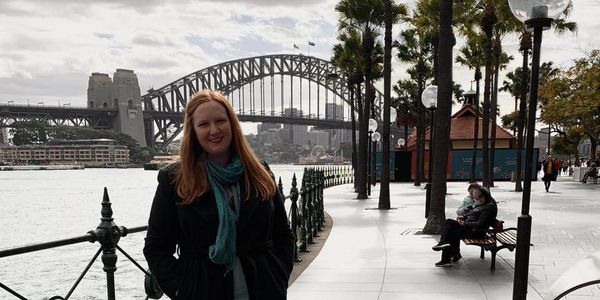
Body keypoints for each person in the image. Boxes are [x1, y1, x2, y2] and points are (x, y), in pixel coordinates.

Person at [143, 90, 294, 299]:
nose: (214, 130)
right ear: (193, 131)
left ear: (232, 123)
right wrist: (182, 290)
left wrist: (279, 275)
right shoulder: (174, 180)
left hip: (263, 288)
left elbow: (283, 235)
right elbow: (156, 247)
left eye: (220, 121)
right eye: (204, 124)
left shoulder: (260, 172)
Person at [432, 186, 497, 267]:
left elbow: (481, 223)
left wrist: (465, 223)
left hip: (476, 231)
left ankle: (447, 258)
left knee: (450, 233)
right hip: (470, 227)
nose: (477, 201)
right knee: (449, 222)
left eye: (477, 199)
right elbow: (474, 213)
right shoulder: (485, 203)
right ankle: (444, 245)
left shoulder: (489, 207)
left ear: (483, 196)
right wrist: (464, 217)